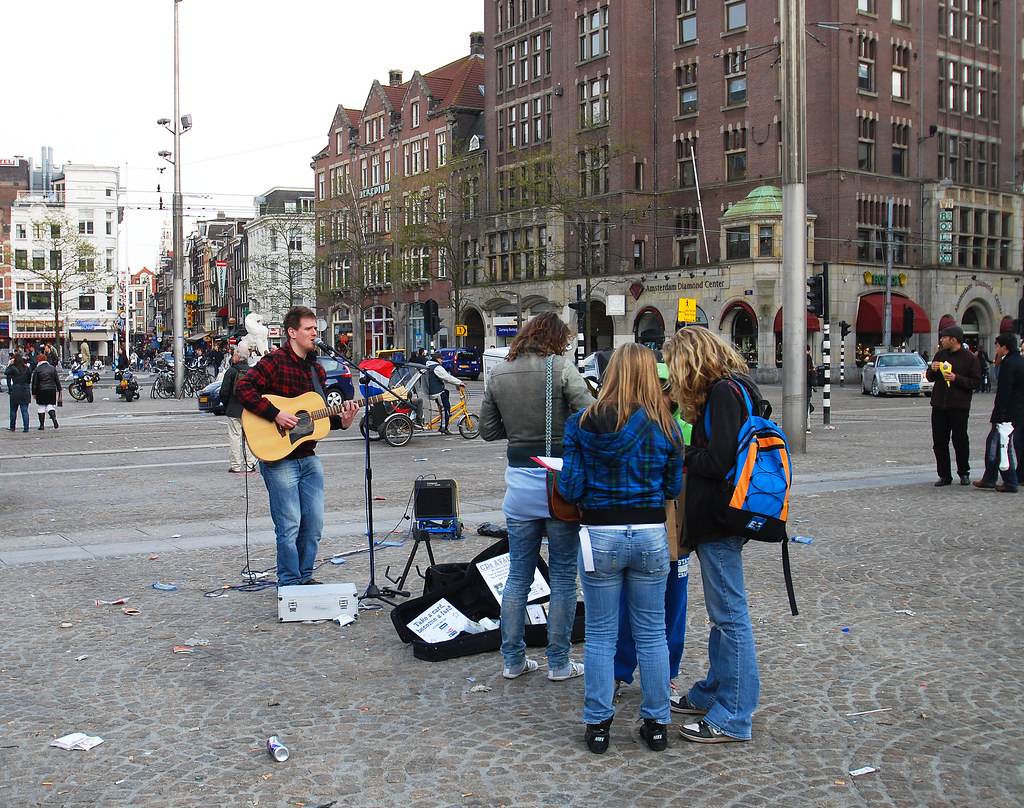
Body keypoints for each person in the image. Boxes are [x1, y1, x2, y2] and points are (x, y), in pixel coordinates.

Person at [558, 343, 684, 754]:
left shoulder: (581, 423)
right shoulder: (665, 426)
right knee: (652, 634)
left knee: (599, 635)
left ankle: (597, 724)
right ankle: (657, 723)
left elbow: (570, 488)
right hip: (650, 533)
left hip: (600, 535)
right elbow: (672, 488)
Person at [480, 311, 593, 683]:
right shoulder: (560, 369)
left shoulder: (498, 373)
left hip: (520, 487)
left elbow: (487, 431)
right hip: (559, 485)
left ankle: (512, 659)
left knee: (518, 576)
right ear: (557, 338)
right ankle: (558, 662)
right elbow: (590, 415)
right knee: (562, 576)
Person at [661, 325, 761, 744]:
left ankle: (734, 714)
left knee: (729, 617)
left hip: (720, 519)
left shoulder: (722, 393)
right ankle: (714, 691)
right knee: (724, 617)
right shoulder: (739, 386)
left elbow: (719, 460)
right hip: (728, 517)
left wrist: (679, 452)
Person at [234, 306, 359, 587]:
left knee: (313, 526)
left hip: (308, 457)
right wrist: (275, 414)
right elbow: (243, 389)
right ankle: (289, 583)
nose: (315, 333)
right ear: (292, 333)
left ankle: (305, 577)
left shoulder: (317, 370)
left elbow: (316, 419)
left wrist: (345, 421)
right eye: (309, 329)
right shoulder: (275, 362)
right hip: (279, 459)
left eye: (316, 329)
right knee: (289, 526)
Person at [614, 363, 692, 712]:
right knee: (624, 605)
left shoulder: (683, 429)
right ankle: (620, 669)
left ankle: (665, 673)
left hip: (676, 529)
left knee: (673, 603)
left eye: (664, 389)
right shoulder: (626, 424)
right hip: (649, 525)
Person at [926, 325, 983, 486]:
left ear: (953, 339)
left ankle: (964, 472)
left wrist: (956, 378)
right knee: (939, 441)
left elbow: (976, 382)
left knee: (960, 440)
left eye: (944, 337)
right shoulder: (940, 354)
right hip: (939, 405)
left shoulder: (970, 358)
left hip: (959, 406)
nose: (942, 340)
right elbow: (930, 377)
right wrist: (932, 369)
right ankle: (944, 475)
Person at [973, 333, 1024, 493]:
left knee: (1000, 445)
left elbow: (1004, 392)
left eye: (997, 346)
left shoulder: (1009, 364)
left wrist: (999, 415)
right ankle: (990, 478)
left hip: (1008, 413)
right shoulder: (1019, 361)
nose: (996, 349)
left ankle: (1010, 481)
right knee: (994, 443)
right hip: (1017, 410)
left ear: (1004, 347)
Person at [220, 344, 257, 474]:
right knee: (249, 439)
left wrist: (227, 405)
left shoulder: (231, 372)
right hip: (249, 410)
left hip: (233, 409)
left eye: (234, 354)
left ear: (237, 356)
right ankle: (250, 464)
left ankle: (236, 466)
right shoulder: (252, 371)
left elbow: (223, 392)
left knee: (235, 437)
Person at [425, 352, 464, 434]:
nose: (442, 360)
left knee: (446, 392)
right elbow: (447, 377)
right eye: (441, 359)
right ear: (437, 359)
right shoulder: (437, 367)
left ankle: (444, 415)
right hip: (436, 391)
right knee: (446, 407)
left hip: (432, 390)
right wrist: (459, 382)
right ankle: (444, 427)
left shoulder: (428, 365)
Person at [31, 351, 61, 431]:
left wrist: (33, 392)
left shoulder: (37, 369)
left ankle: (41, 425)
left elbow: (34, 382)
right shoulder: (52, 368)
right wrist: (59, 389)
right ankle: (54, 419)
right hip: (51, 389)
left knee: (41, 407)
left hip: (41, 390)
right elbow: (57, 380)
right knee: (50, 406)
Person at [6, 353, 32, 432]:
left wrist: (10, 364)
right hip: (25, 389)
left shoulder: (13, 368)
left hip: (16, 389)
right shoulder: (27, 368)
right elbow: (29, 379)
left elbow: (6, 372)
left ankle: (12, 426)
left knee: (13, 410)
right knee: (24, 410)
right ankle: (26, 427)